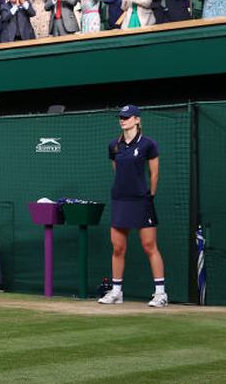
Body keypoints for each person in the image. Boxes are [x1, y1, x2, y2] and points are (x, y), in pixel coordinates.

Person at [98, 104, 168, 308]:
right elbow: (117, 170)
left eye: (127, 117)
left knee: (149, 246)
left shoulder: (148, 144)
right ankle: (117, 292)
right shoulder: (114, 145)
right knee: (118, 247)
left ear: (137, 120)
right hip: (120, 200)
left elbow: (154, 174)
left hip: (142, 201)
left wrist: (149, 196)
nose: (123, 120)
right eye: (121, 117)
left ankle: (161, 293)